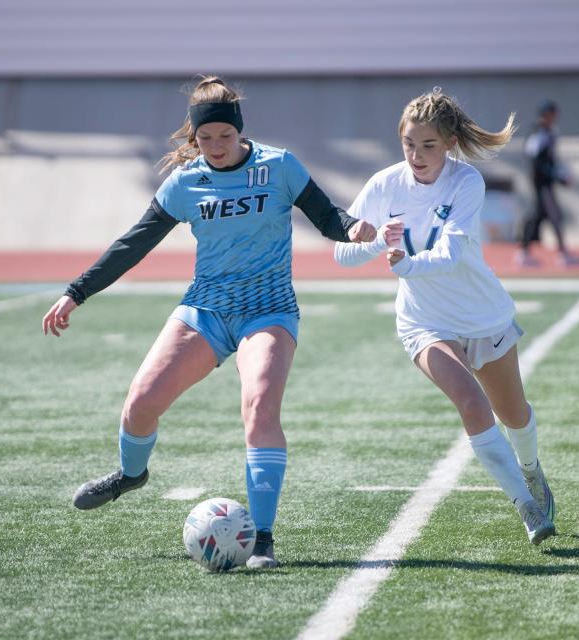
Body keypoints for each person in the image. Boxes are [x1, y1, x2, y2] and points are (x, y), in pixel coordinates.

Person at [41, 76, 376, 569]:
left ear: (240, 132)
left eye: (225, 136)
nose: (217, 147)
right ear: (193, 139)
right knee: (139, 405)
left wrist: (352, 228)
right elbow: (133, 244)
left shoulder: (278, 166)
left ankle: (262, 539)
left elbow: (327, 217)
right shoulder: (185, 183)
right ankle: (132, 474)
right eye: (206, 139)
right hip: (206, 309)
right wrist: (77, 292)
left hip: (269, 309)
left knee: (260, 405)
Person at [333, 88, 556, 545]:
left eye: (428, 145)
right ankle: (526, 505)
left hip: (482, 315)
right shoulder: (384, 184)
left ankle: (531, 472)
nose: (416, 155)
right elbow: (342, 253)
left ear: (450, 143)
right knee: (472, 404)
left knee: (513, 416)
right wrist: (375, 242)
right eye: (409, 144)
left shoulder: (466, 182)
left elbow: (451, 252)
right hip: (424, 321)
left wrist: (407, 264)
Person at [515, 99, 579, 268]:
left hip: (546, 182)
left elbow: (549, 160)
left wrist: (558, 174)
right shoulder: (539, 133)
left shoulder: (549, 132)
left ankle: (526, 252)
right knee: (552, 216)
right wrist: (555, 175)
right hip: (541, 184)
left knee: (540, 217)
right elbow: (535, 160)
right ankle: (560, 254)